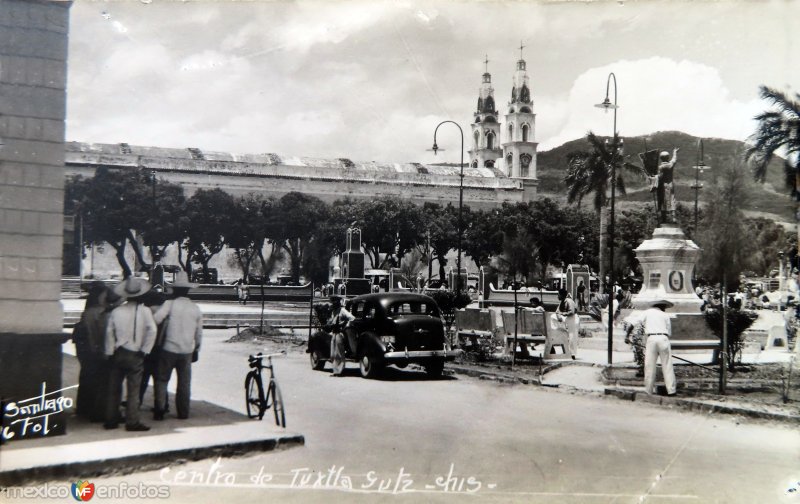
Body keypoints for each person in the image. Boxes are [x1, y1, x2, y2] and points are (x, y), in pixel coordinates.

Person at [104, 277, 157, 431]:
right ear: (140, 295)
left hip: (118, 351)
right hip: (136, 353)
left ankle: (111, 420)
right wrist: (145, 350)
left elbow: (109, 332)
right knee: (133, 390)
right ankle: (132, 421)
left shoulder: (117, 310)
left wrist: (109, 350)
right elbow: (152, 330)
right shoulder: (145, 311)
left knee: (114, 388)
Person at [151, 272, 203, 420]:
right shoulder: (195, 308)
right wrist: (197, 348)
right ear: (187, 291)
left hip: (168, 348)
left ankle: (160, 409)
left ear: (174, 290)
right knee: (184, 383)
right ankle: (183, 412)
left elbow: (156, 320)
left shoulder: (169, 304)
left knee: (162, 379)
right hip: (186, 350)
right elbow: (199, 333)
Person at [74, 281, 118, 422]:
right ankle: (96, 411)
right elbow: (101, 334)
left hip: (86, 351)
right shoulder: (99, 312)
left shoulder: (88, 311)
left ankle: (83, 408)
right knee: (100, 383)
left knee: (86, 380)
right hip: (97, 351)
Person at [624, 299, 677, 396]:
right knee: (667, 364)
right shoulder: (665, 315)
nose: (665, 309)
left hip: (652, 338)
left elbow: (632, 323)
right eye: (664, 307)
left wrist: (627, 336)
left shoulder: (648, 312)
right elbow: (669, 332)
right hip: (663, 338)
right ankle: (671, 390)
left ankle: (648, 390)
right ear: (662, 306)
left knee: (649, 365)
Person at [326, 295, 354, 377]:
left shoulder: (342, 310)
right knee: (333, 354)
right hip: (334, 333)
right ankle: (335, 370)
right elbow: (332, 321)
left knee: (339, 353)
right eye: (333, 301)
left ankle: (339, 371)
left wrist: (344, 324)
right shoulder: (333, 312)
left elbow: (352, 318)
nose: (334, 303)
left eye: (335, 301)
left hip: (340, 333)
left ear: (338, 302)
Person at [651, 148, 679, 224]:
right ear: (668, 157)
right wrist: (675, 152)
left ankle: (664, 219)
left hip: (662, 186)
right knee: (672, 199)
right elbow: (674, 159)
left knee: (663, 201)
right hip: (670, 185)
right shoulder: (670, 165)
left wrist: (653, 179)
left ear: (661, 158)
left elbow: (659, 177)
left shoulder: (660, 167)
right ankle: (674, 217)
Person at [555, 288, 579, 360]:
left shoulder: (569, 301)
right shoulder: (562, 302)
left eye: (558, 295)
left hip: (572, 318)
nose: (557, 296)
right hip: (566, 318)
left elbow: (572, 312)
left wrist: (562, 314)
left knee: (572, 336)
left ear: (562, 295)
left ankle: (572, 353)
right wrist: (559, 316)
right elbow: (557, 311)